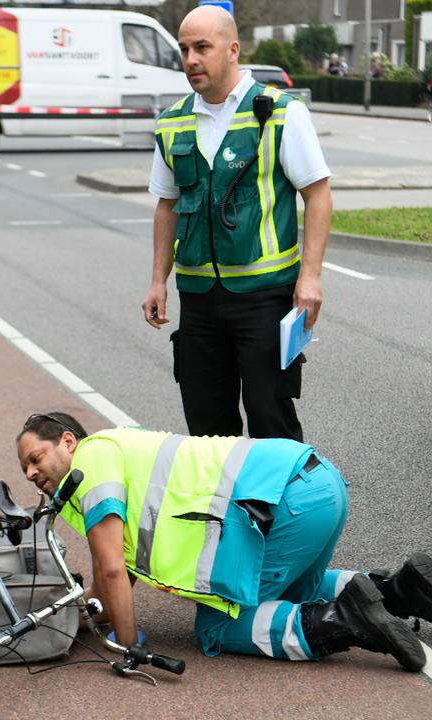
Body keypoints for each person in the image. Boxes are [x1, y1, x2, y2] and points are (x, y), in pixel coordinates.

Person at [16, 412, 432, 670]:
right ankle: (401, 589)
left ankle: (348, 619)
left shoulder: (90, 467)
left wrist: (125, 645)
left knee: (216, 628)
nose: (33, 472)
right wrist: (84, 613)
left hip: (278, 504)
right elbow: (115, 573)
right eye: (25, 469)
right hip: (315, 480)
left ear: (68, 441)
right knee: (291, 594)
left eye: (36, 457)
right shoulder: (120, 445)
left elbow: (114, 569)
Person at [142, 5, 333, 442]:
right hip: (198, 300)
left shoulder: (281, 113)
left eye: (201, 47)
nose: (190, 59)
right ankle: (223, 510)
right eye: (184, 48)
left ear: (232, 50)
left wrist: (311, 277)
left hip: (263, 296)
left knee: (272, 419)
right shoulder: (173, 122)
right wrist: (158, 281)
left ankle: (285, 509)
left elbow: (317, 195)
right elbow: (167, 205)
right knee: (207, 428)